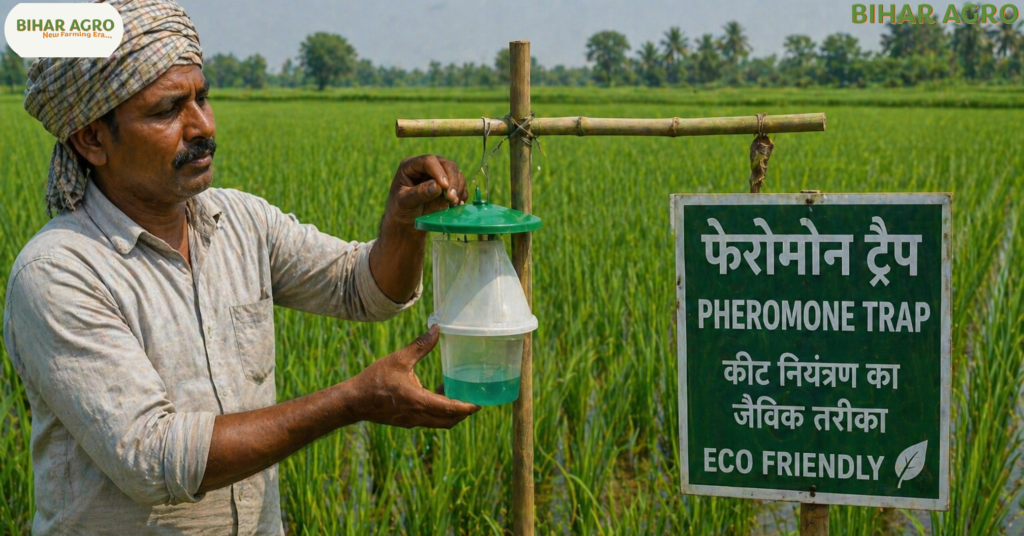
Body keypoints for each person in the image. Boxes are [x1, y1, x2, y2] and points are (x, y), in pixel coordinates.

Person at [2, 0, 480, 534]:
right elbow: (155, 458)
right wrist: (351, 401)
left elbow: (362, 288)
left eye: (202, 97)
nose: (202, 125)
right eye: (167, 111)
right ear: (92, 139)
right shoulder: (58, 272)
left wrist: (403, 221)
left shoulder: (240, 222)